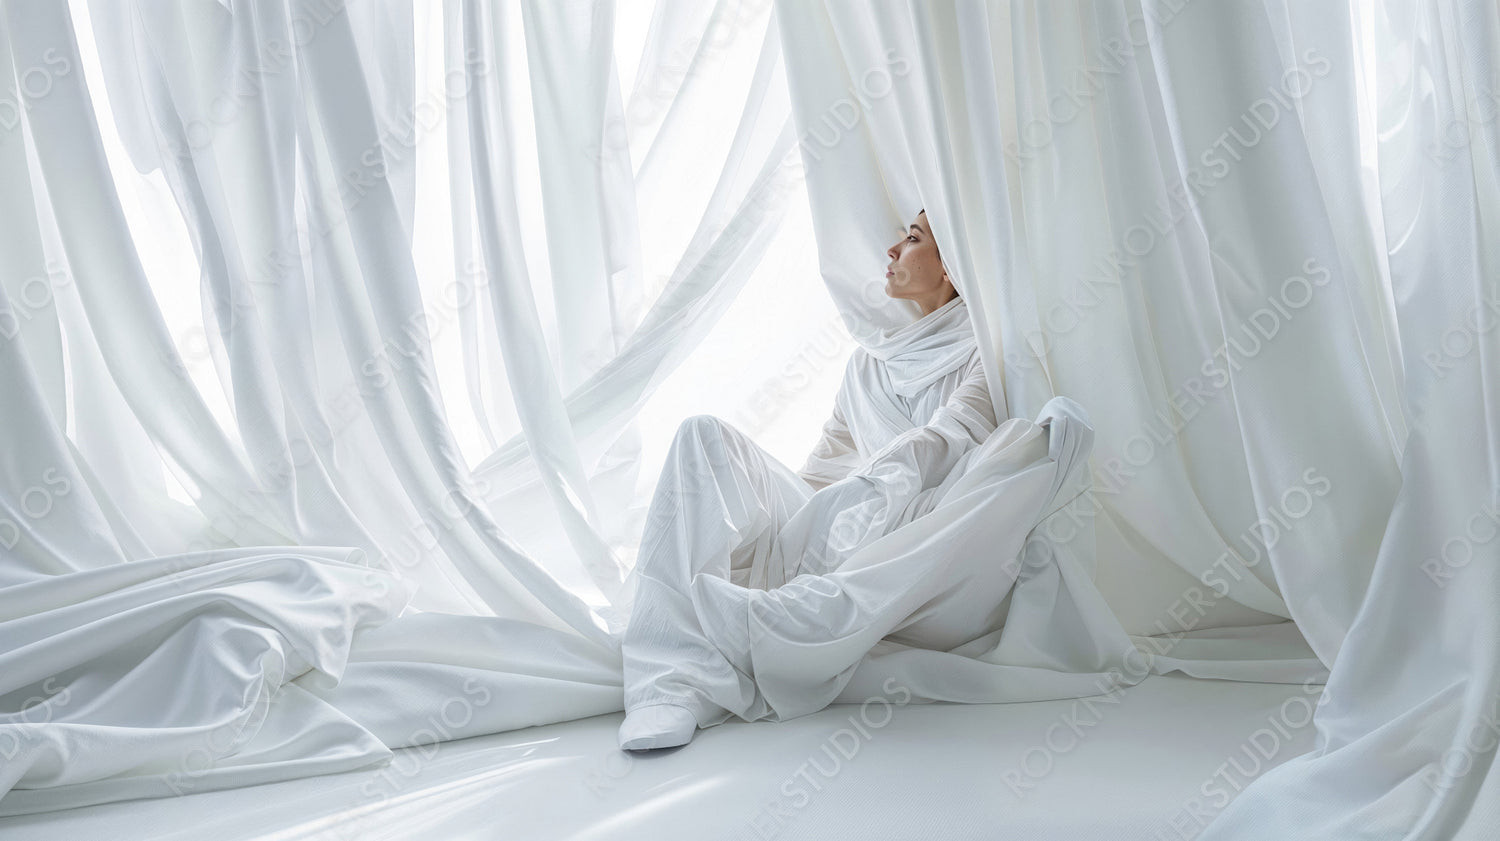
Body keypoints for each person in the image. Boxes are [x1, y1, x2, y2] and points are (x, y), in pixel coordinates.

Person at [617, 209, 1049, 750]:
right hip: (841, 516)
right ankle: (669, 682)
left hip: (902, 531)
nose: (892, 253)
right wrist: (785, 524)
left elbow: (953, 437)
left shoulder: (984, 351)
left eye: (913, 240)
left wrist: (865, 494)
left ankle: (750, 632)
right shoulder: (868, 365)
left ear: (952, 266)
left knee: (901, 488)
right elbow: (824, 466)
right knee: (701, 435)